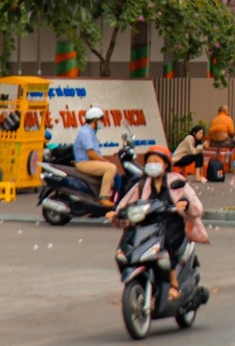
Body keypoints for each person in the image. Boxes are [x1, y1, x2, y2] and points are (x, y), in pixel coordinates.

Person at [108, 144, 207, 297]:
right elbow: (127, 203)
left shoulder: (176, 181)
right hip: (147, 225)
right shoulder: (142, 184)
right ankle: (135, 287)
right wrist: (117, 214)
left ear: (165, 164)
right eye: (150, 161)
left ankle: (173, 282)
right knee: (126, 247)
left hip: (171, 222)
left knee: (167, 240)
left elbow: (196, 206)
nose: (152, 164)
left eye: (156, 161)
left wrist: (185, 204)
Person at [73, 107, 118, 206]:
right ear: (95, 120)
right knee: (111, 168)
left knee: (112, 170)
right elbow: (91, 154)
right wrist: (105, 161)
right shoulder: (86, 133)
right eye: (101, 120)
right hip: (84, 163)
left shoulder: (91, 132)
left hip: (89, 162)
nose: (102, 122)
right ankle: (103, 197)